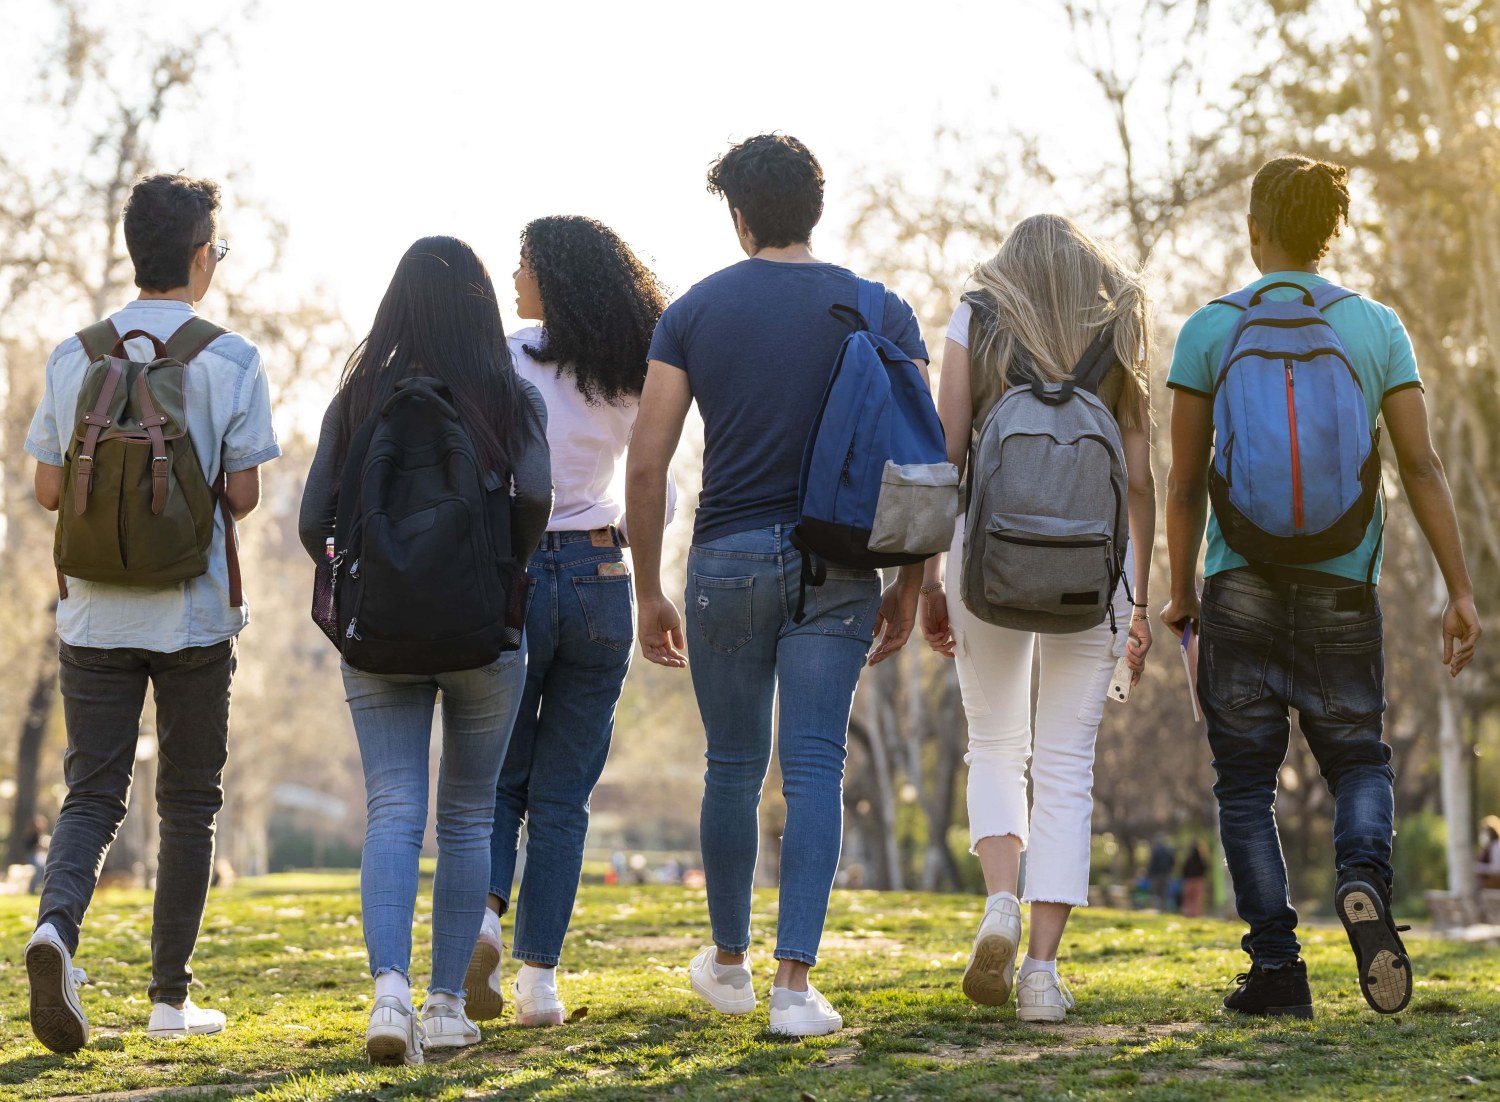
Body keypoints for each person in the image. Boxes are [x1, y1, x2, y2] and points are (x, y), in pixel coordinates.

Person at [1162, 154, 1482, 1018]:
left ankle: (1276, 969)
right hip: (1344, 587)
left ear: (1255, 229)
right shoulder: (1377, 328)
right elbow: (1420, 464)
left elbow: (1185, 483)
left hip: (1242, 586)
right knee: (1358, 761)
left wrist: (1180, 589)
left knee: (1244, 786)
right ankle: (1362, 876)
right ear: (1331, 233)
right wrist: (1459, 589)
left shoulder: (1207, 331)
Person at [625, 133, 925, 1037]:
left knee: (730, 766)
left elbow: (646, 467)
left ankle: (728, 963)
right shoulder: (881, 308)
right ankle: (795, 988)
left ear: (740, 215)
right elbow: (921, 463)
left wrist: (647, 588)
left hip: (725, 561)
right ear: (816, 208)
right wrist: (913, 582)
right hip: (841, 566)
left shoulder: (695, 312)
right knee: (816, 768)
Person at [23, 173, 278, 1052]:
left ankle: (56, 929)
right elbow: (240, 497)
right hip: (194, 618)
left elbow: (49, 487)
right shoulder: (231, 358)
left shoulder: (73, 354)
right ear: (202, 256)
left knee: (90, 793)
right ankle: (171, 999)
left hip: (92, 615)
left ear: (137, 252)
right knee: (190, 802)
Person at [298, 236, 551, 1065]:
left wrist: (359, 589)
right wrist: (500, 573)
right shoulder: (508, 397)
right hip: (483, 636)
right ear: (482, 308)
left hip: (379, 637)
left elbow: (311, 523)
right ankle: (447, 1007)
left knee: (393, 810)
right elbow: (539, 495)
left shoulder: (359, 396)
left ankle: (388, 995)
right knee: (469, 812)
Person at [917, 214, 1155, 1022]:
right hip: (1093, 571)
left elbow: (947, 454)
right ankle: (1043, 979)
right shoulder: (1119, 314)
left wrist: (927, 577)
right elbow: (1141, 477)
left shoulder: (978, 315)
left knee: (995, 744)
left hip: (986, 561)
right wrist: (1141, 600)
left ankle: (998, 906)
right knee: (1064, 767)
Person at [466, 216, 670, 1029]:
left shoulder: (506, 357)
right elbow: (657, 481)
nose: (514, 276)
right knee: (565, 796)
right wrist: (652, 584)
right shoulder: (634, 370)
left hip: (514, 574)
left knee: (498, 780)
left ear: (552, 276)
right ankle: (538, 981)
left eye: (523, 263)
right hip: (600, 574)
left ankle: (481, 920)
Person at [1179, 840, 1209, 918]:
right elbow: (1205, 868)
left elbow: (1184, 870)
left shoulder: (1188, 858)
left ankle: (1189, 914)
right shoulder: (1201, 858)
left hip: (1189, 880)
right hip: (1199, 880)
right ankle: (1196, 914)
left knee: (1189, 899)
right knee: (1197, 899)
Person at [1146, 836, 1177, 912]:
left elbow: (1152, 863)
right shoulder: (1168, 851)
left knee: (1157, 893)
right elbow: (1172, 862)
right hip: (1166, 874)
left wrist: (1150, 874)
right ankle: (1164, 909)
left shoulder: (1156, 850)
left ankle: (1158, 909)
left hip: (1157, 874)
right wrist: (1170, 871)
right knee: (1164, 893)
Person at [25, 815, 49, 896]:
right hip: (32, 855)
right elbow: (28, 847)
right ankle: (32, 889)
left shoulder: (43, 836)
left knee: (45, 867)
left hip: (41, 855)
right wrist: (37, 847)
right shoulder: (31, 835)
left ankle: (43, 888)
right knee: (39, 867)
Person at [1476, 816, 1500, 891]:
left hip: (1493, 884)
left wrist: (1478, 867)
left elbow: (1496, 868)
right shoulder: (1487, 847)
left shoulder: (1496, 846)